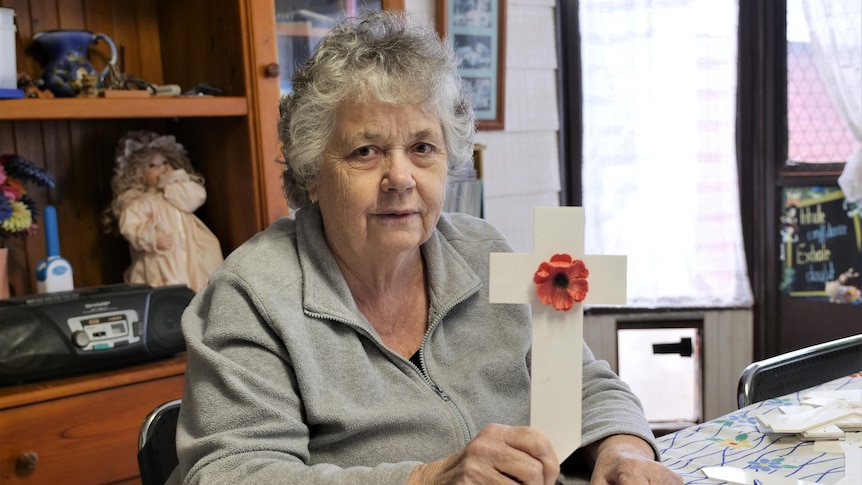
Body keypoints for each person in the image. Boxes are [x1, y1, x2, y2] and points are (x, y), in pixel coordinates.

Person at [172, 10, 681, 485]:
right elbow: (233, 472)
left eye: (422, 148)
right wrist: (427, 479)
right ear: (311, 175)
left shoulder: (484, 253)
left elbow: (581, 382)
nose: (401, 178)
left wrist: (623, 449)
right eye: (365, 151)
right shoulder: (251, 296)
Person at [104, 130, 223, 292]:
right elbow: (130, 228)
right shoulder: (141, 202)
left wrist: (172, 181)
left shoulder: (176, 191)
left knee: (200, 284)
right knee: (166, 288)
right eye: (152, 165)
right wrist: (152, 237)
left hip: (192, 252)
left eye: (165, 162)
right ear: (138, 173)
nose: (161, 168)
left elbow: (196, 198)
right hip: (161, 258)